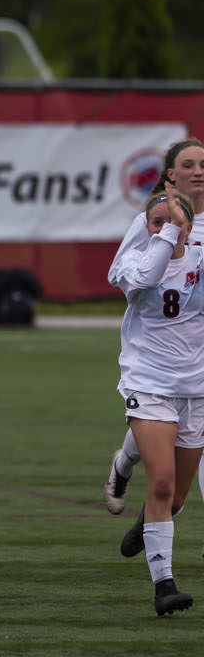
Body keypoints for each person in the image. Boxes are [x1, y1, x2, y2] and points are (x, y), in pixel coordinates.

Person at [111, 185, 203, 616]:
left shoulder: (200, 259)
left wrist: (186, 238)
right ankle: (164, 585)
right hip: (148, 383)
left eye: (174, 220)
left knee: (177, 499)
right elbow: (148, 277)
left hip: (196, 389)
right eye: (155, 221)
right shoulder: (133, 261)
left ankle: (147, 520)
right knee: (162, 483)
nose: (164, 228)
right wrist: (170, 232)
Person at [106, 135, 204, 514]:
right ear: (170, 175)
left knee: (177, 487)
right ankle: (124, 463)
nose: (197, 173)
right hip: (162, 351)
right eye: (188, 166)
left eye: (203, 166)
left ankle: (153, 522)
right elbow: (122, 273)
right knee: (160, 421)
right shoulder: (153, 219)